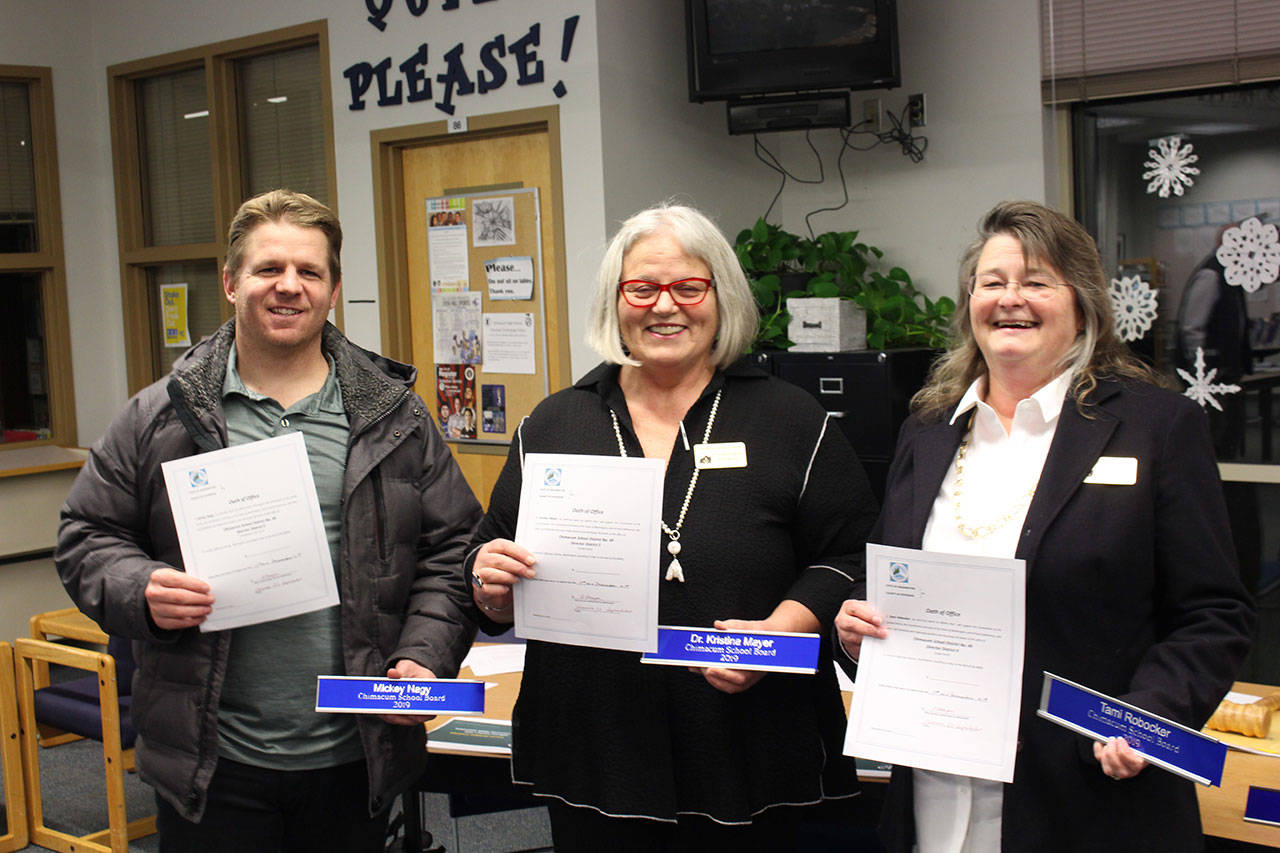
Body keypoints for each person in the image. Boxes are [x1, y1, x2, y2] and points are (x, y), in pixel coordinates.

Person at [56, 189, 482, 851]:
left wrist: (424, 656)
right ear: (230, 282)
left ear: (333, 288)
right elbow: (86, 534)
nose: (289, 287)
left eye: (309, 272)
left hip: (355, 752)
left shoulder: (394, 416)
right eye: (268, 269)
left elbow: (454, 547)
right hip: (212, 759)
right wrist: (139, 587)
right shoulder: (158, 416)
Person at [836, 200, 1255, 851]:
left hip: (1088, 804)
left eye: (1036, 282)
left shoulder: (1157, 427)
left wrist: (1153, 711)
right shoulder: (926, 430)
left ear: (1082, 303)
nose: (1011, 299)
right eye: (993, 282)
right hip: (931, 800)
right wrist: (859, 636)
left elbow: (1214, 611)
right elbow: (893, 592)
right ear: (970, 300)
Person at [467, 202, 878, 848]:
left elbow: (849, 556)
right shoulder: (553, 424)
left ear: (722, 297)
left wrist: (776, 634)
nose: (666, 306)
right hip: (594, 749)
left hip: (749, 740)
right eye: (643, 288)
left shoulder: (791, 420)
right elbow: (488, 560)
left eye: (689, 287)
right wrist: (489, 583)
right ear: (616, 300)